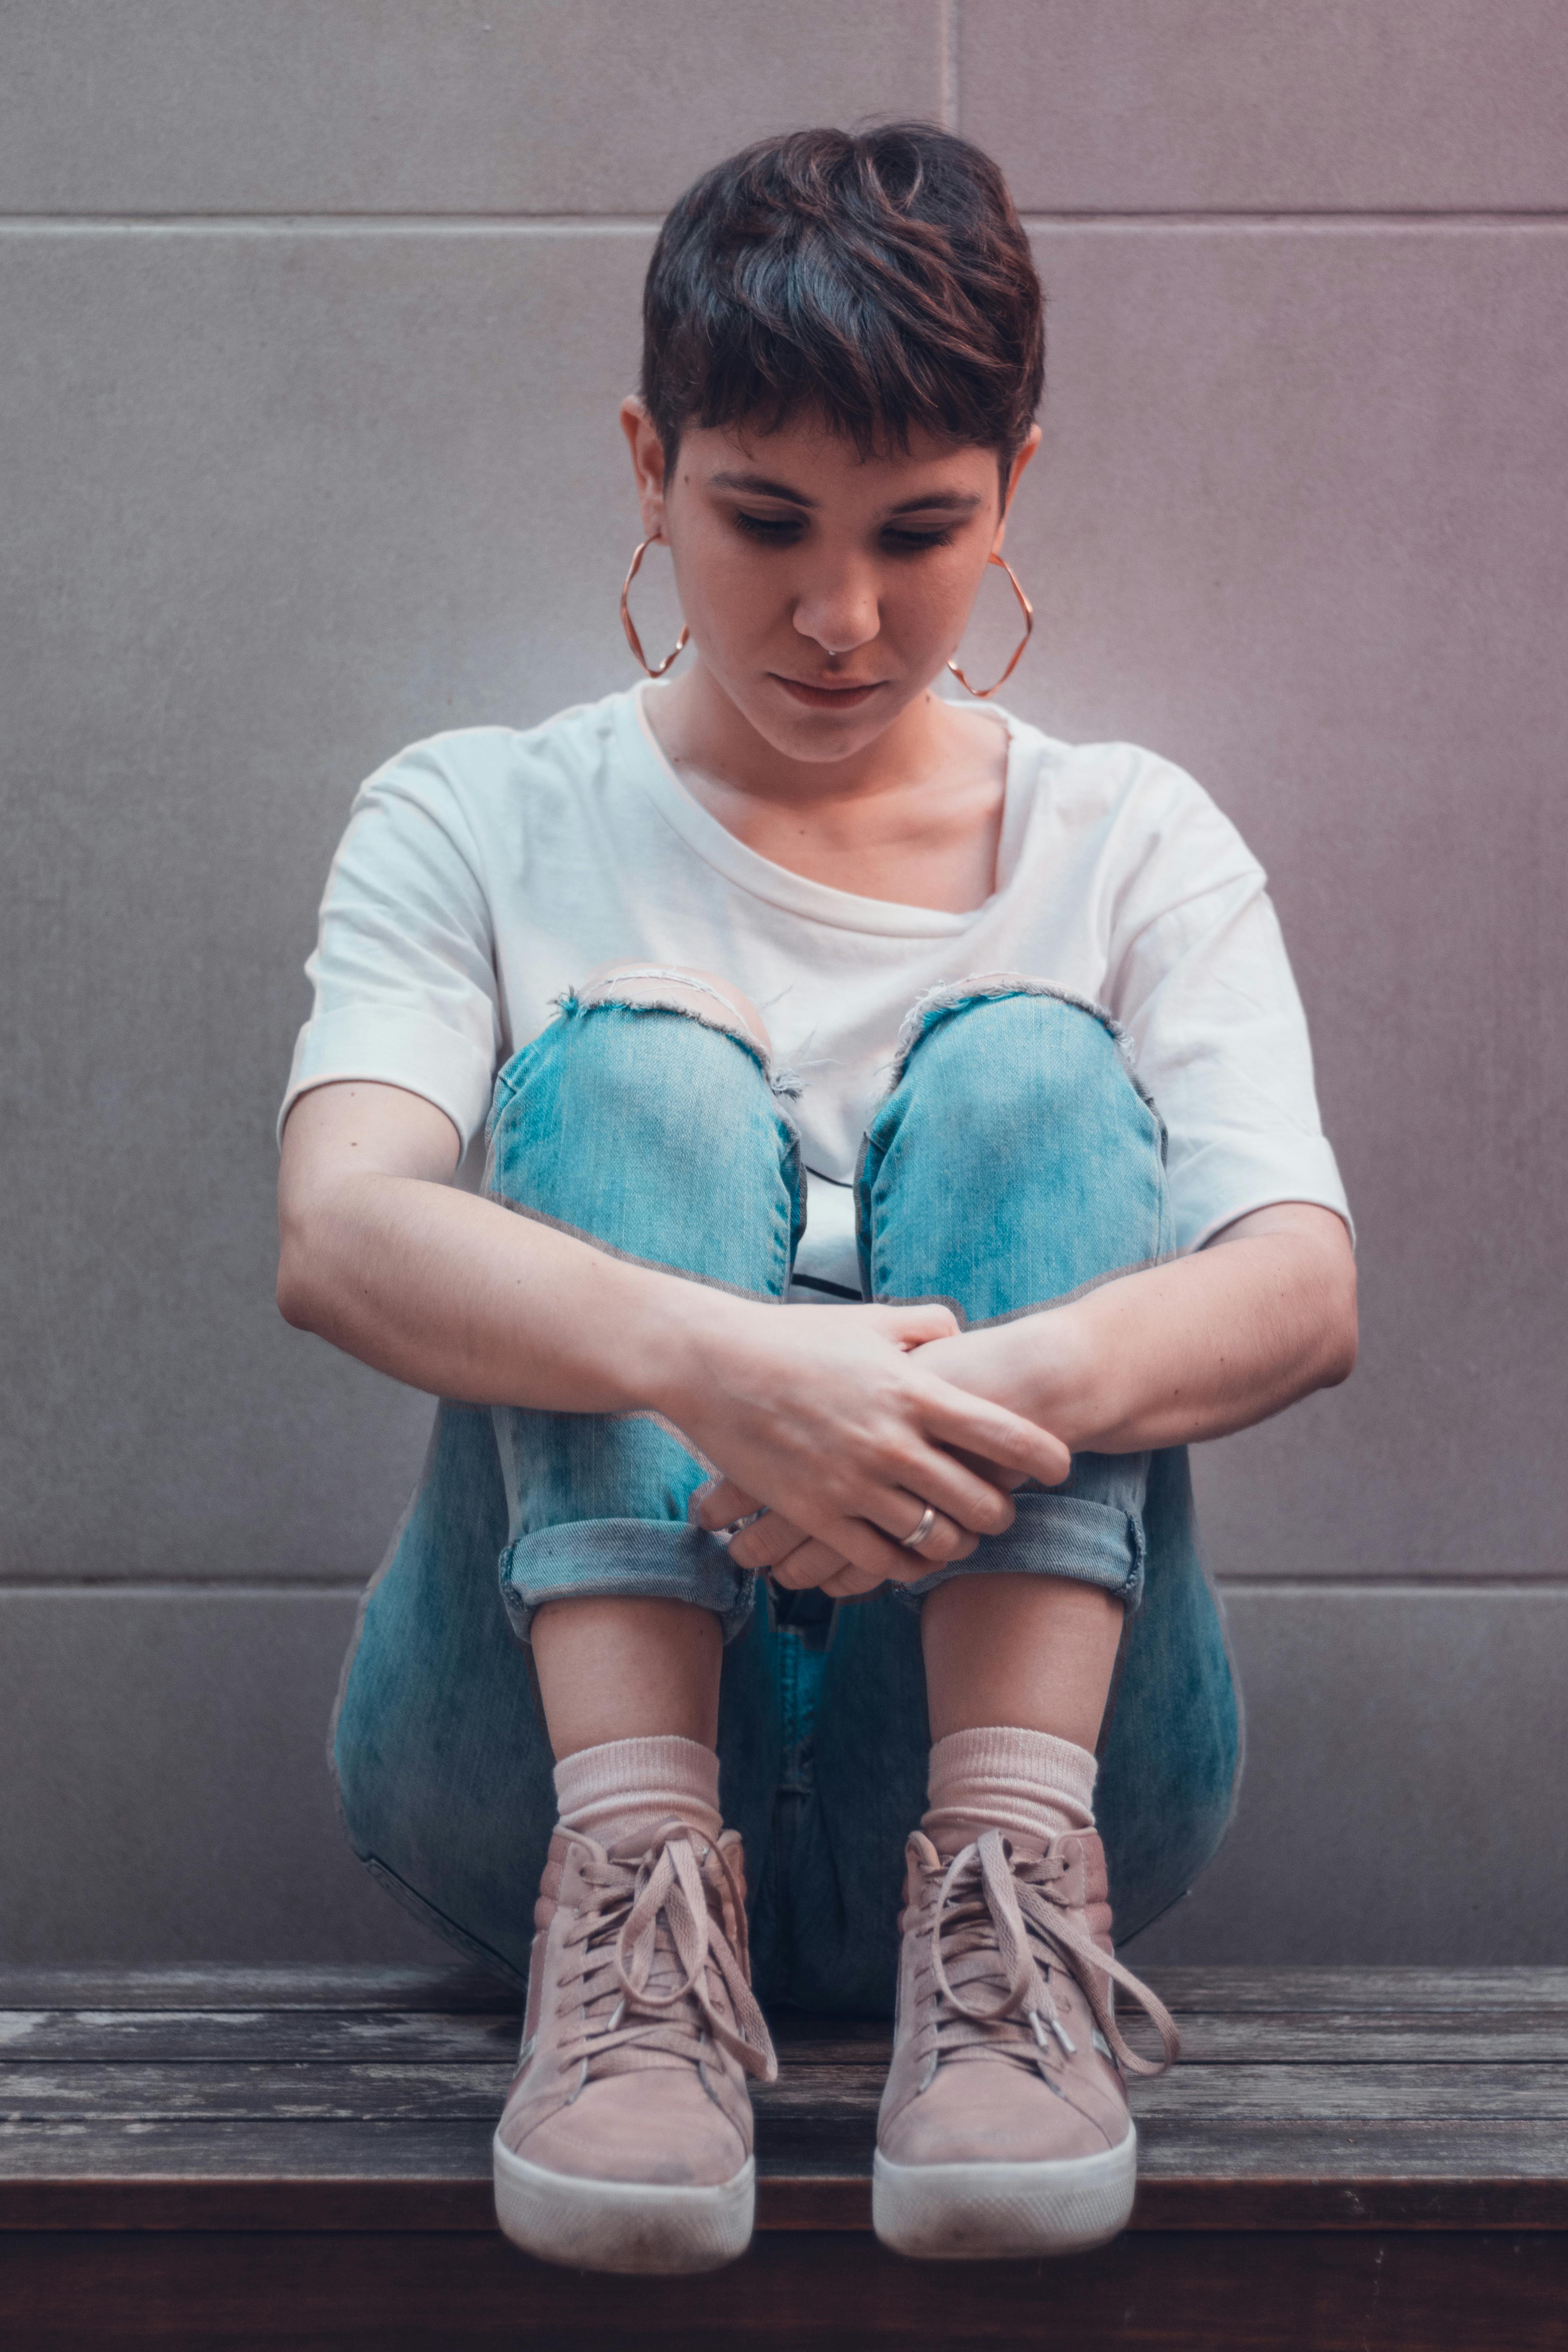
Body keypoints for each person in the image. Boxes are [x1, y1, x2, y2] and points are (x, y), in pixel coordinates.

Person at [276, 123, 1355, 2276]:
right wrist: (733, 1372)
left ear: (1011, 492)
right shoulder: (476, 815)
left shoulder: (1130, 843)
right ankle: (634, 1906)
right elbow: (340, 1228)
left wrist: (925, 1421)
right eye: (760, 520)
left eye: (919, 532)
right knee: (634, 1072)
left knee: (1033, 1065)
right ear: (645, 461)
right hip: (521, 1775)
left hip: (1050, 1773)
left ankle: (1009, 1905)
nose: (840, 616)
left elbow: (1297, 1289)